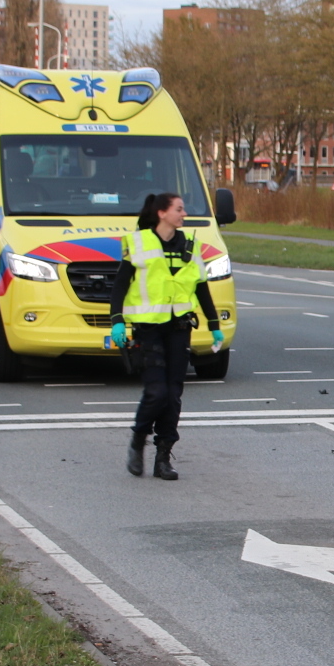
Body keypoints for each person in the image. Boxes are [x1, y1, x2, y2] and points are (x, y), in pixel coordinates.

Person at [108, 191, 222, 480]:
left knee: (173, 396)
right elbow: (120, 284)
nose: (184, 214)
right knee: (156, 391)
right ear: (162, 213)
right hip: (148, 329)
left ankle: (163, 458)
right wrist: (117, 321)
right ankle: (138, 439)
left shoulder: (191, 246)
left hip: (179, 328)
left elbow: (200, 287)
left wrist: (214, 322)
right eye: (179, 209)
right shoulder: (139, 242)